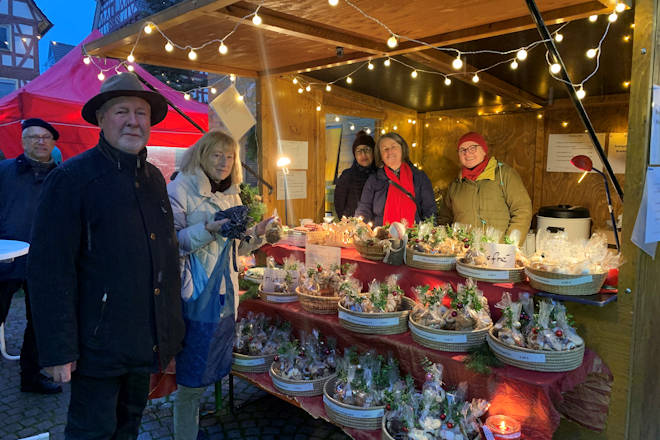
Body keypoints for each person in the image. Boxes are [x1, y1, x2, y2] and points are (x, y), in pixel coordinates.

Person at [26, 72, 185, 439]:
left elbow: (163, 257)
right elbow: (50, 270)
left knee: (129, 427)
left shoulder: (154, 179)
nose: (133, 121)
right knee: (91, 432)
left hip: (144, 339)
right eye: (122, 112)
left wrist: (170, 331)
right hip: (96, 345)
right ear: (101, 119)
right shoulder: (71, 179)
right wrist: (57, 350)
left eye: (141, 113)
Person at [167, 130, 273, 440]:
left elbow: (237, 249)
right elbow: (172, 244)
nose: (224, 162)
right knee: (190, 375)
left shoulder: (234, 193)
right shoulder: (180, 188)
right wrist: (209, 229)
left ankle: (195, 426)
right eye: (217, 154)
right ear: (201, 155)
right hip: (195, 294)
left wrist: (259, 233)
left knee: (208, 364)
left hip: (225, 295)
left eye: (229, 156)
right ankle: (184, 434)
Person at [0, 118, 61, 394]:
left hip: (43, 262)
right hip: (5, 261)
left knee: (38, 323)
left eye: (45, 137)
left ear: (52, 143)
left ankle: (31, 377)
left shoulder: (62, 177)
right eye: (34, 137)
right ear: (23, 141)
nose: (40, 141)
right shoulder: (4, 171)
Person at [436, 132, 533, 242]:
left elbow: (522, 211)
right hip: (464, 253)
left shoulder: (504, 175)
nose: (467, 153)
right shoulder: (455, 185)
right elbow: (444, 219)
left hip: (498, 253)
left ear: (484, 150)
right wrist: (446, 243)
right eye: (462, 150)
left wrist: (510, 246)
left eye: (473, 148)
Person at [355, 132, 436, 226]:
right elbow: (364, 208)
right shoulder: (374, 180)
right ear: (380, 155)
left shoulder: (419, 177)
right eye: (385, 149)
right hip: (382, 237)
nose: (389, 152)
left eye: (394, 147)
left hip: (414, 237)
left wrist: (428, 233)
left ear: (402, 149)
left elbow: (429, 209)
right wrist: (360, 228)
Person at [334, 130, 376, 218]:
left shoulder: (381, 176)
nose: (363, 155)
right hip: (353, 227)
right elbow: (339, 205)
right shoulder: (347, 176)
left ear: (373, 152)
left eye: (367, 150)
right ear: (354, 154)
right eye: (359, 151)